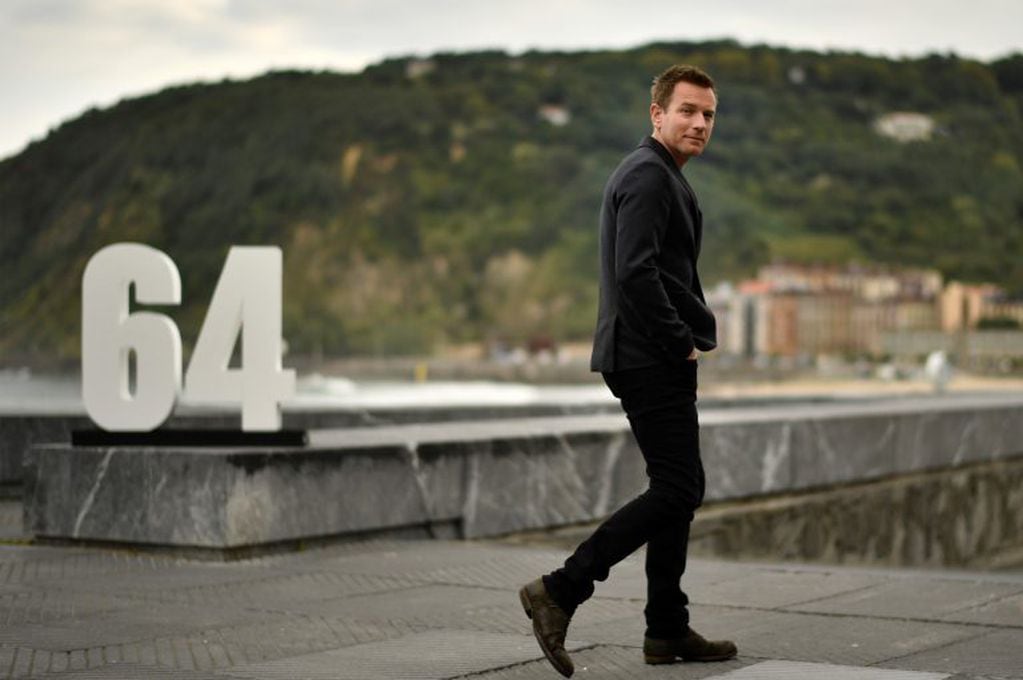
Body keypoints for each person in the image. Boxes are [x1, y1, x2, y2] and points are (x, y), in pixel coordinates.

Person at [519, 65, 737, 677]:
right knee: (677, 487)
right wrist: (679, 342)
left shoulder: (660, 174)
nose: (699, 123)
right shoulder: (647, 175)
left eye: (709, 114)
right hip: (647, 355)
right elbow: (633, 271)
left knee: (677, 492)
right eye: (688, 110)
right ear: (657, 114)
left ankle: (666, 628)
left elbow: (651, 270)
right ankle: (561, 589)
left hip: (649, 352)